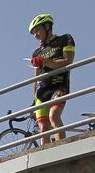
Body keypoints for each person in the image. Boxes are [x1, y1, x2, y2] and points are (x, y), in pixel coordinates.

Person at [27, 14, 75, 143]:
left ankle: (60, 147)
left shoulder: (65, 39)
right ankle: (45, 155)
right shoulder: (37, 52)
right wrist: (33, 97)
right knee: (43, 127)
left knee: (54, 116)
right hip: (42, 92)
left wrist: (45, 62)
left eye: (37, 30)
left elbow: (68, 60)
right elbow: (36, 77)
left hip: (58, 86)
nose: (35, 35)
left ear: (47, 26)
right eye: (33, 33)